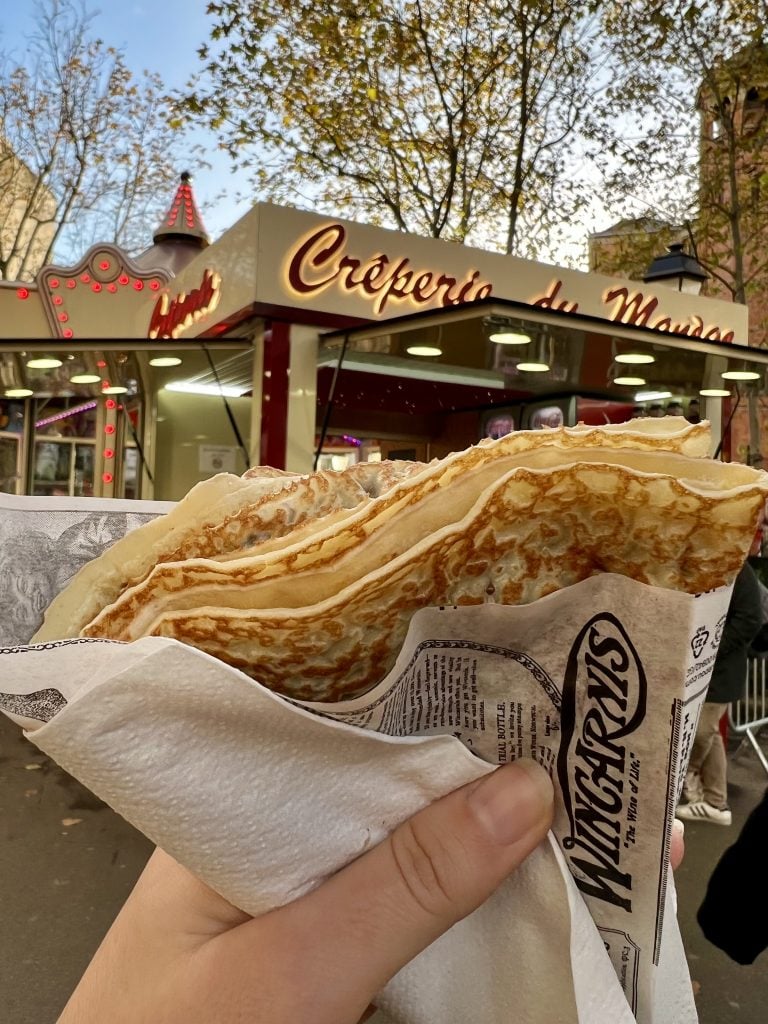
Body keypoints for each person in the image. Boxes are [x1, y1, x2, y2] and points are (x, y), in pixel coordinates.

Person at [676, 562, 763, 826]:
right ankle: (716, 801)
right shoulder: (703, 567)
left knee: (703, 731)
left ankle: (692, 781)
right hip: (702, 670)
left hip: (722, 672)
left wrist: (710, 648)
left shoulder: (738, 569)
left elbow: (750, 619)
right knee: (711, 735)